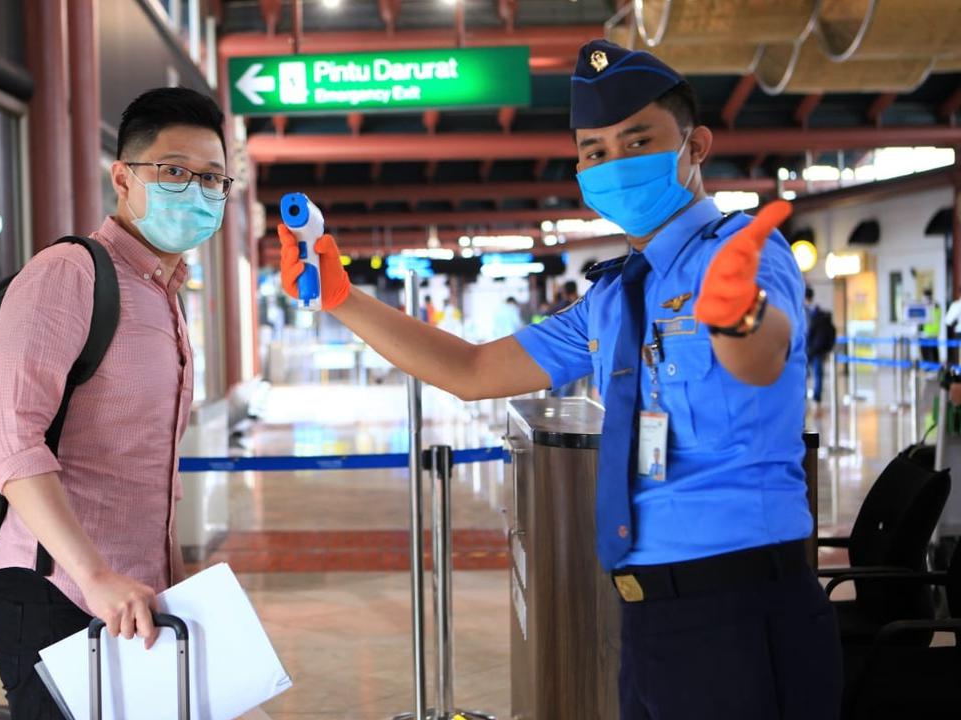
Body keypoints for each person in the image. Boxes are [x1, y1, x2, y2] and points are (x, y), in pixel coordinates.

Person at [276, 39, 839, 719]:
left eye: (638, 140)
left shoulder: (740, 251)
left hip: (743, 607)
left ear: (695, 146)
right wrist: (342, 298)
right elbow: (473, 369)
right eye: (596, 151)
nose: (616, 163)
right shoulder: (611, 299)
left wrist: (737, 318)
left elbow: (765, 356)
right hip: (650, 613)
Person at [0, 87, 226, 718]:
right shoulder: (71, 273)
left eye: (213, 178)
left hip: (133, 600)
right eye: (174, 171)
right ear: (123, 176)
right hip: (55, 593)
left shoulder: (166, 293)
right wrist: (94, 575)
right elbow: (8, 442)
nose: (195, 190)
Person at [804, 286, 836, 402]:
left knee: (804, 374)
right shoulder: (818, 312)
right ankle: (816, 396)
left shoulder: (803, 312)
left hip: (808, 349)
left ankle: (805, 395)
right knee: (817, 374)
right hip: (816, 349)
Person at [921, 288, 942, 364]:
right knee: (934, 349)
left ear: (926, 296)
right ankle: (936, 365)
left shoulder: (928, 306)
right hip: (935, 331)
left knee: (927, 350)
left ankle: (929, 366)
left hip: (928, 332)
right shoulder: (937, 305)